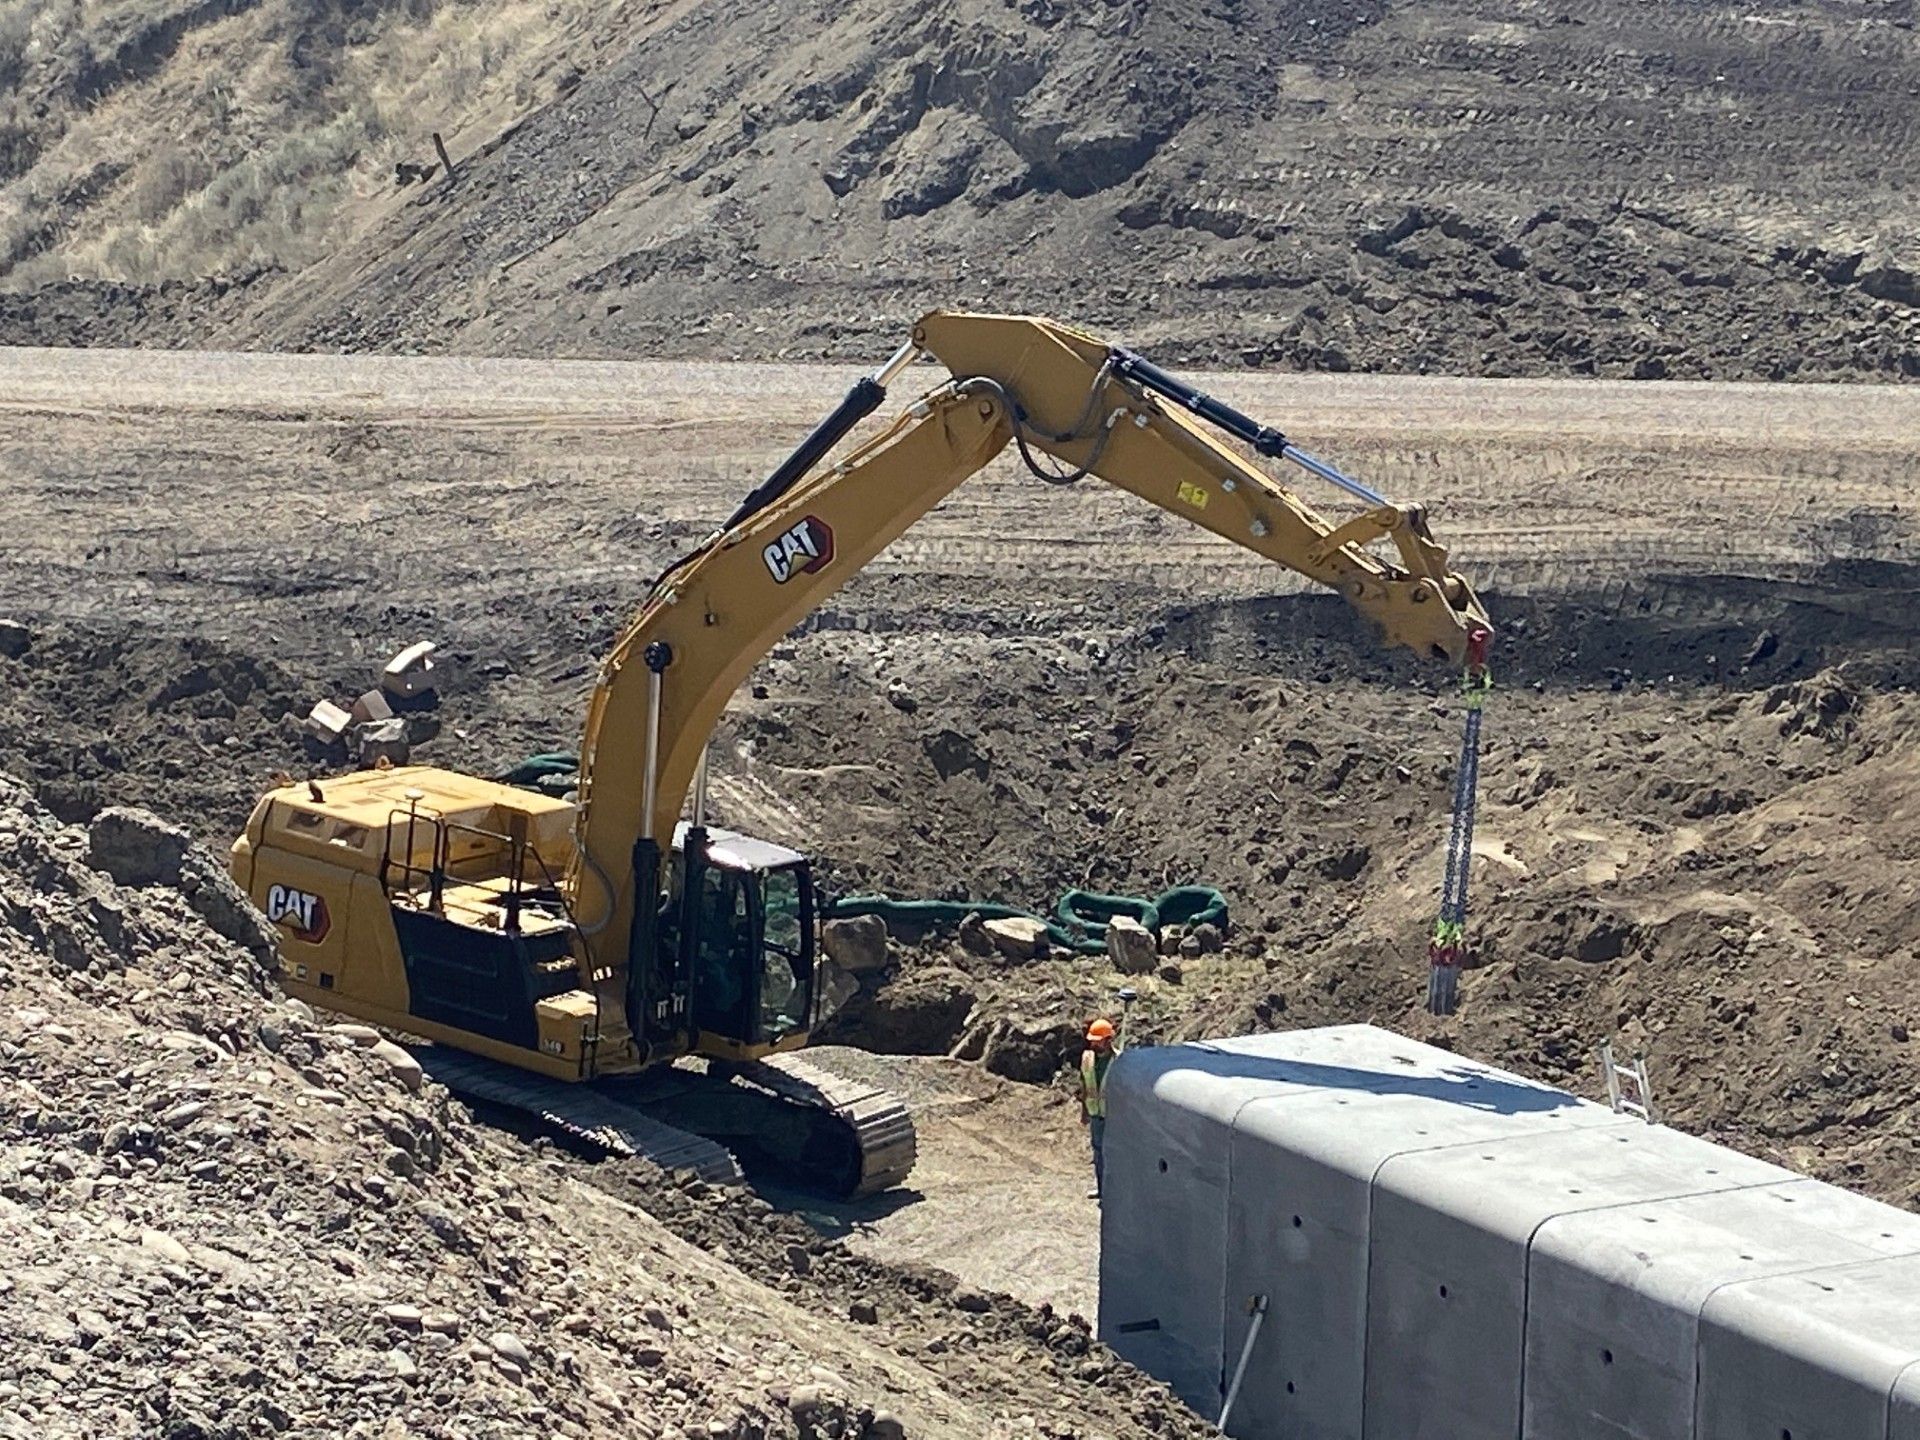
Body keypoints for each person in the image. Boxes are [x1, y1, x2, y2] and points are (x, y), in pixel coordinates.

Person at [1079, 1017, 1119, 1200]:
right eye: (1092, 1041)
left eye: (1098, 1041)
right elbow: (1085, 1086)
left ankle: (1114, 1191)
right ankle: (1102, 1190)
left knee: (1113, 1155)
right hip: (1096, 1114)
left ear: (1108, 1040)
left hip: (1114, 1117)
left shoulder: (1119, 1062)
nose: (1094, 1044)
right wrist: (1085, 1111)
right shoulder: (1087, 1059)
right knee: (1098, 1153)